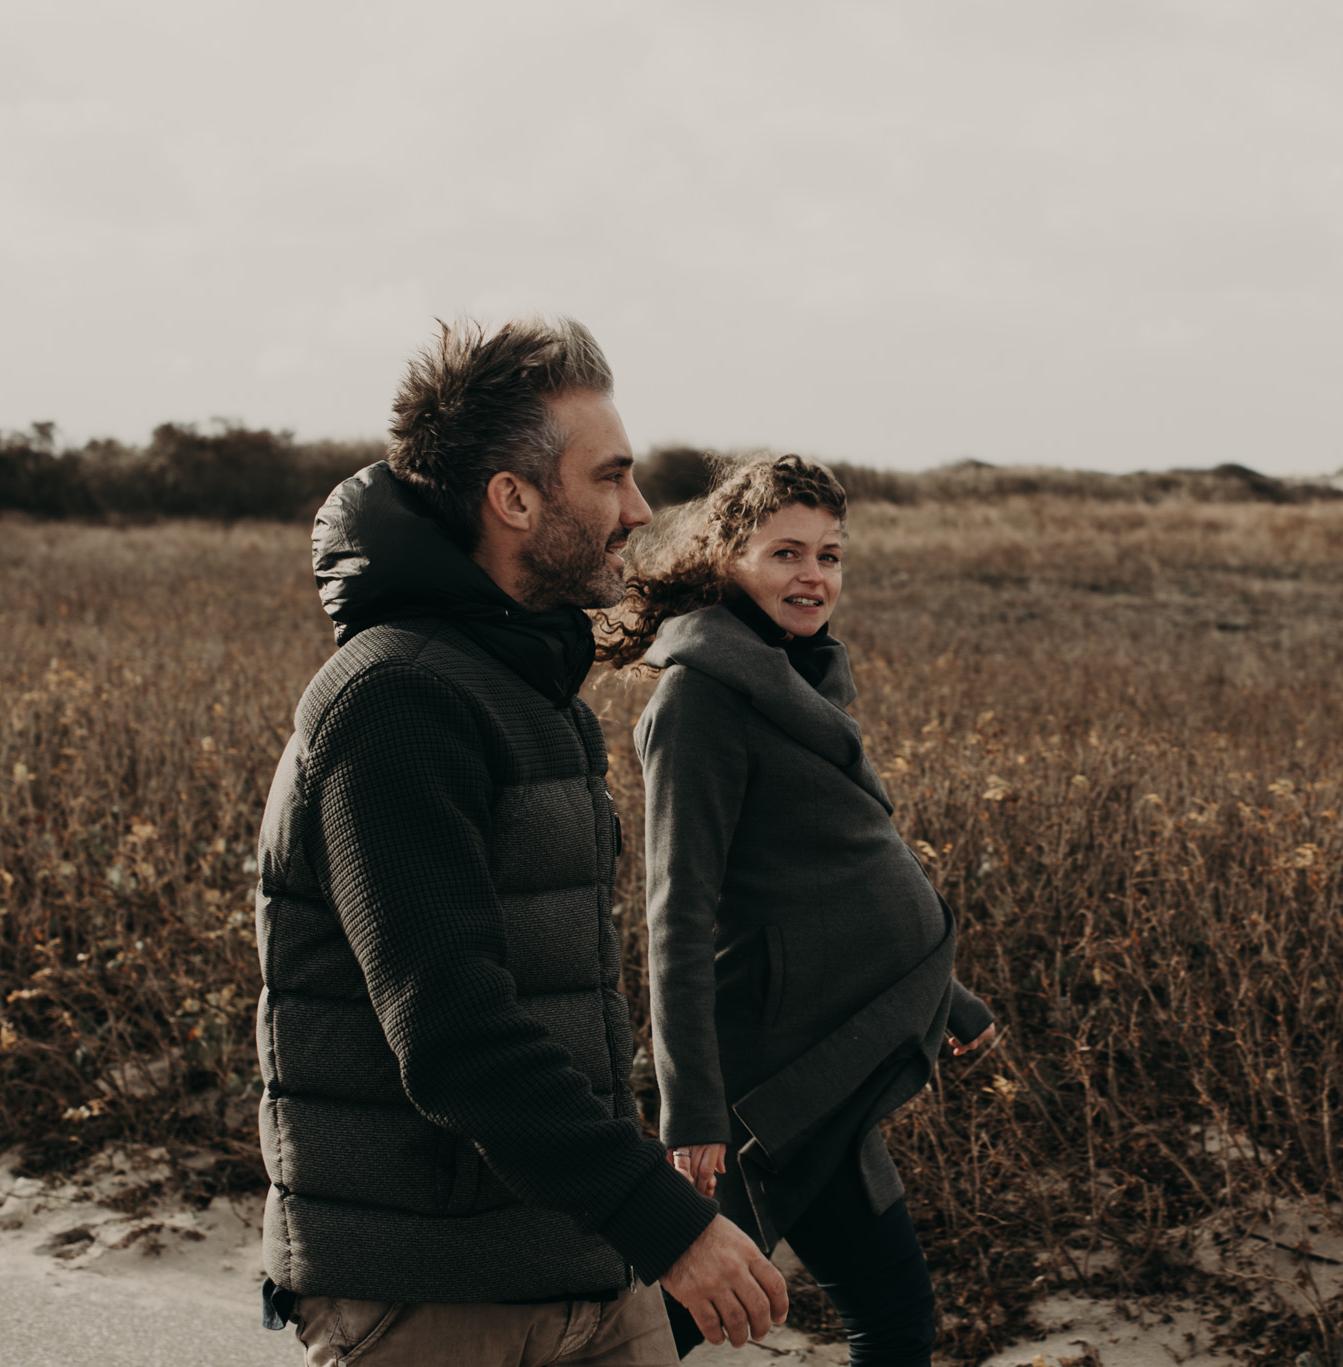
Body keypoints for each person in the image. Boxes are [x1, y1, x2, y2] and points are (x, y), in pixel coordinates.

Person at [253, 318, 788, 1366]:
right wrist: (666, 1221)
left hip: (580, 1261)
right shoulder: (396, 700)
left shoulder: (520, 690)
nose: (638, 509)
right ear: (513, 499)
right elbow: (453, 1030)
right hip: (434, 1290)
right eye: (612, 476)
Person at [599, 454, 998, 1366]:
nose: (813, 576)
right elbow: (678, 914)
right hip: (772, 1082)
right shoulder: (699, 700)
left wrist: (949, 993)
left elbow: (849, 866)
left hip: (840, 1056)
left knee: (894, 1321)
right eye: (785, 553)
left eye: (830, 554)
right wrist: (691, 1108)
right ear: (726, 557)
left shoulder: (800, 676)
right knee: (660, 1331)